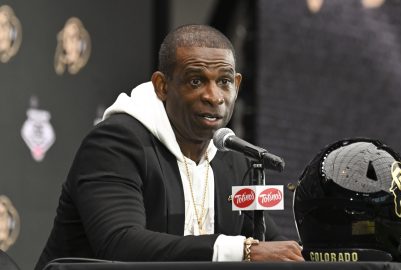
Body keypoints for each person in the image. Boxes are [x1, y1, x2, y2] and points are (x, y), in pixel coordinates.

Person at [35, 24, 303, 270]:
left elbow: (271, 244)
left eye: (224, 82)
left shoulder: (233, 159)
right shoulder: (115, 143)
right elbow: (121, 243)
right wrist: (240, 250)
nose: (213, 97)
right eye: (196, 81)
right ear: (162, 86)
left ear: (236, 85)